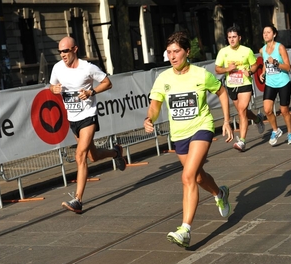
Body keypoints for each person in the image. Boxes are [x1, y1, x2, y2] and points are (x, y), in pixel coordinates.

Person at [144, 31, 234, 248]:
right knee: (198, 177)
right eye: (169, 52)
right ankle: (220, 193)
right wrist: (150, 118)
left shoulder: (200, 75)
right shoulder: (163, 78)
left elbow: (222, 92)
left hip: (202, 128)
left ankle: (185, 229)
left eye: (176, 51)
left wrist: (227, 121)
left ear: (187, 52)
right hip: (179, 134)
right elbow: (155, 105)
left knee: (187, 177)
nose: (172, 56)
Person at [49, 36, 126, 214]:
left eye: (65, 51)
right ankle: (116, 152)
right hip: (73, 118)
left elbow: (107, 82)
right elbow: (51, 87)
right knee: (93, 156)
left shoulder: (87, 68)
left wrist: (91, 91)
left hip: (88, 116)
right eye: (60, 51)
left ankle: (78, 200)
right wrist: (54, 90)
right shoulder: (57, 68)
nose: (62, 55)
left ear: (75, 49)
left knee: (80, 155)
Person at [215, 25, 265, 152]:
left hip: (245, 84)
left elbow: (255, 65)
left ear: (239, 38)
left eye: (234, 37)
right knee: (242, 112)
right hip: (231, 85)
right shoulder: (223, 52)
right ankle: (258, 118)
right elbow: (217, 69)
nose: (232, 40)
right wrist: (227, 69)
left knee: (242, 110)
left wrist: (250, 71)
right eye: (229, 37)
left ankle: (242, 141)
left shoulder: (246, 51)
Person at [259, 25, 291, 146]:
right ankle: (276, 130)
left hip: (283, 82)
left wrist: (275, 63)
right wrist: (263, 73)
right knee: (267, 110)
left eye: (268, 32)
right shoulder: (262, 49)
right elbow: (265, 62)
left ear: (274, 34)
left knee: (284, 110)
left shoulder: (280, 47)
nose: (265, 34)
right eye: (264, 32)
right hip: (270, 83)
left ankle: (290, 133)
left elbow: (288, 66)